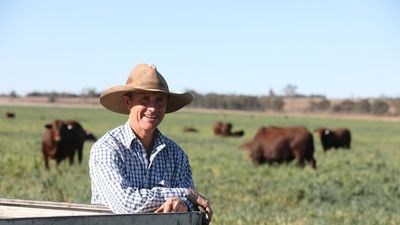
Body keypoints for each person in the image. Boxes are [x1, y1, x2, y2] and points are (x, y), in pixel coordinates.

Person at [88, 63, 212, 223]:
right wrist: (187, 194)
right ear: (127, 102)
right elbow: (126, 204)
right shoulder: (107, 148)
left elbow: (189, 206)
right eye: (144, 99)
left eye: (159, 101)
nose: (153, 108)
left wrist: (181, 203)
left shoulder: (176, 154)